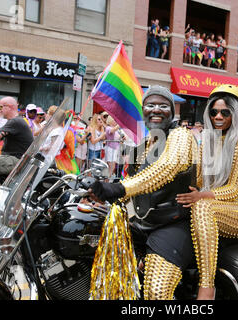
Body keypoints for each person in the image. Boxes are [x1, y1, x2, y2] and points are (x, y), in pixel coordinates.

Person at [88, 85, 197, 300]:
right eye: (150, 105)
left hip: (173, 223)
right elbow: (134, 181)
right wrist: (101, 192)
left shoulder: (181, 136)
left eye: (163, 105)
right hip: (142, 222)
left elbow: (166, 168)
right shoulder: (144, 144)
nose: (156, 109)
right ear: (143, 110)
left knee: (156, 292)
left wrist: (119, 188)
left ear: (172, 112)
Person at [175, 84, 238, 300]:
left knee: (203, 206)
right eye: (214, 112)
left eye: (225, 112)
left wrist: (201, 196)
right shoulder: (208, 141)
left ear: (236, 113)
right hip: (216, 204)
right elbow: (199, 180)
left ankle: (207, 287)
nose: (218, 116)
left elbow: (234, 190)